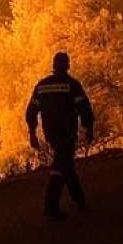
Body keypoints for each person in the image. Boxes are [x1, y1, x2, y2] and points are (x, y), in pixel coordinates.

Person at [25, 52, 94, 220]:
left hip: (51, 133)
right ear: (67, 65)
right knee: (61, 165)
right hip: (67, 131)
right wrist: (89, 129)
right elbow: (84, 108)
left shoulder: (41, 86)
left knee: (66, 163)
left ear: (54, 65)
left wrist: (33, 134)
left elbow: (31, 112)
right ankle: (51, 206)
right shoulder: (72, 85)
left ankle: (79, 200)